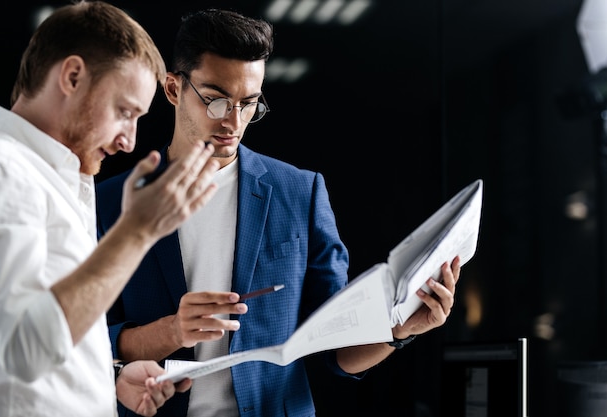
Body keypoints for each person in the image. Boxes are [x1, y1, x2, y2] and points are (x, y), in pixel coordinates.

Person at [96, 8, 461, 417]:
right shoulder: (111, 202)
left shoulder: (300, 194)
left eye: (249, 103)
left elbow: (333, 347)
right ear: (173, 89)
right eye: (216, 100)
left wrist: (397, 332)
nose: (234, 121)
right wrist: (171, 331)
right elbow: (86, 340)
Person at [0, 2, 220, 416]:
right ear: (72, 77)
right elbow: (21, 350)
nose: (129, 141)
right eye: (125, 112)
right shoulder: (0, 171)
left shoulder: (48, 177)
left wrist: (105, 379)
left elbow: (36, 339)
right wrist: (136, 233)